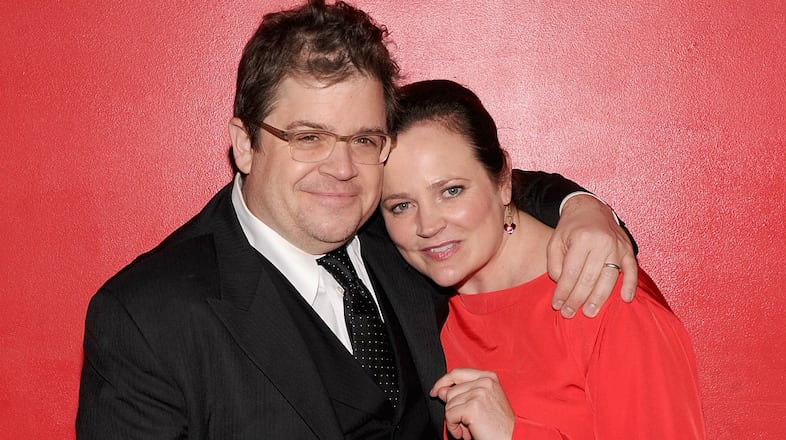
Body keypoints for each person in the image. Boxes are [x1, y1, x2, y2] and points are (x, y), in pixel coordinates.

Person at [76, 2, 638, 439]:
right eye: (308, 137)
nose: (342, 169)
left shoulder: (404, 232)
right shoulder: (147, 316)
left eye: (364, 139)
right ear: (245, 144)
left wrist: (582, 208)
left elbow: (479, 185)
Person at [379, 79, 706, 439]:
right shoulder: (412, 306)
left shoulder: (604, 297)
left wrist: (512, 434)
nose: (428, 225)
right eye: (401, 206)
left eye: (451, 191)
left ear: (503, 179)